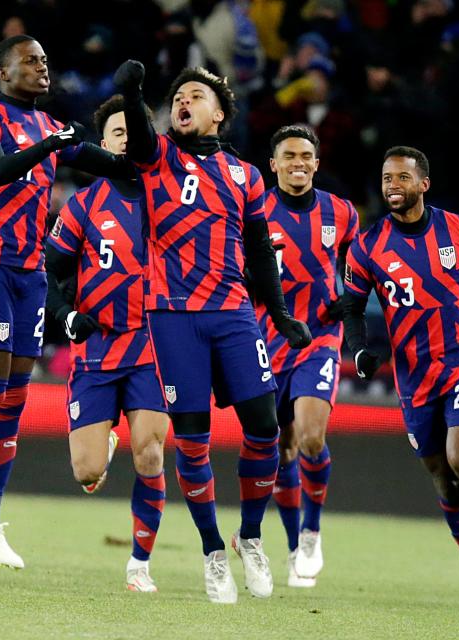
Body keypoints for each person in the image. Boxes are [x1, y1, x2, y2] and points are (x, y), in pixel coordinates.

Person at [0, 35, 129, 569]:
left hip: (29, 272)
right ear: (3, 71)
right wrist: (50, 146)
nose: (41, 66)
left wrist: (150, 163)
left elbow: (103, 162)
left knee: (13, 397)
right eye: (29, 60)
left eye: (44, 59)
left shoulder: (48, 125)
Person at [113, 60, 311, 603]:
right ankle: (212, 552)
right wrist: (133, 94)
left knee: (265, 427)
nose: (183, 102)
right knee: (193, 440)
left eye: (195, 95)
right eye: (177, 96)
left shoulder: (245, 175)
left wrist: (282, 312)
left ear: (218, 113)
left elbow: (259, 254)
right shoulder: (157, 158)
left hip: (232, 313)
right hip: (173, 317)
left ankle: (249, 536)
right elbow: (138, 127)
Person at [342, 146, 459, 609]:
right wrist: (358, 349)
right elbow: (353, 306)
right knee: (442, 479)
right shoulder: (367, 245)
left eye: (401, 178)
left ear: (423, 183)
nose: (391, 186)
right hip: (413, 377)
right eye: (385, 179)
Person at [44, 95, 169, 592]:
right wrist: (65, 314)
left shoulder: (173, 197)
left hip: (153, 347)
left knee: (151, 454)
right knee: (87, 471)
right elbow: (51, 268)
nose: (126, 139)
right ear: (102, 143)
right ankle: (105, 441)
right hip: (97, 349)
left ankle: (139, 563)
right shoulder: (84, 204)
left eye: (133, 132)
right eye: (117, 133)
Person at [255, 125, 358, 588]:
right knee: (281, 450)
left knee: (312, 437)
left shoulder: (342, 212)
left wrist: (352, 297)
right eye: (288, 155)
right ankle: (295, 544)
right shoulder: (252, 211)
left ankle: (312, 531)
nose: (298, 162)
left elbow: (363, 266)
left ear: (317, 163)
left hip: (319, 337)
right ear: (273, 164)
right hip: (265, 340)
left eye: (306, 155)